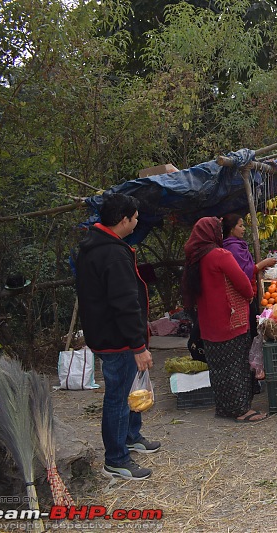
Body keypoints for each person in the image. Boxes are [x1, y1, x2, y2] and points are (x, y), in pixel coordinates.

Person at [75, 193, 160, 481]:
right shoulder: (112, 253)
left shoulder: (94, 245)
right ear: (123, 220)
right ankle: (116, 459)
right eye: (135, 219)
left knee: (128, 390)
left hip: (104, 333)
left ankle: (131, 436)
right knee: (119, 397)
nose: (137, 224)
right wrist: (138, 345)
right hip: (116, 337)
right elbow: (124, 303)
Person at [182, 217, 267, 422]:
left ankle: (224, 408)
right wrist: (249, 296)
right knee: (236, 366)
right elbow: (244, 285)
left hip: (208, 324)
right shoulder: (220, 255)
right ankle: (240, 411)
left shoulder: (194, 258)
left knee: (218, 368)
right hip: (230, 320)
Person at [221, 213, 277, 393]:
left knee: (250, 335)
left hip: (246, 295)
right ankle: (251, 379)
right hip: (241, 298)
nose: (244, 228)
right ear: (231, 229)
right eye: (240, 225)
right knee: (249, 336)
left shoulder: (237, 246)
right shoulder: (232, 249)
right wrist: (262, 264)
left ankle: (253, 378)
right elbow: (242, 273)